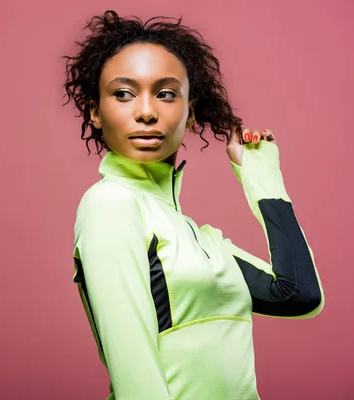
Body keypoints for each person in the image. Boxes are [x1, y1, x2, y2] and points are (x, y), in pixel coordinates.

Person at [63, 10, 324, 400]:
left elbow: (298, 294)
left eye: (166, 93)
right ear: (96, 113)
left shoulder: (202, 240)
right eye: (123, 93)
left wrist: (261, 175)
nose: (147, 111)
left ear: (191, 111)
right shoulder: (110, 204)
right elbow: (134, 372)